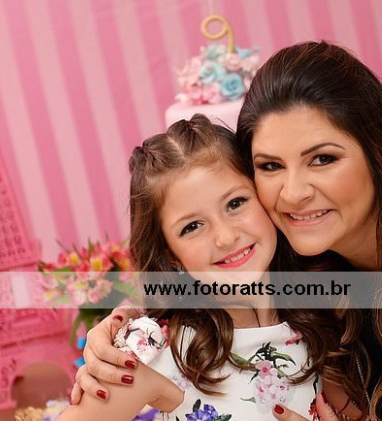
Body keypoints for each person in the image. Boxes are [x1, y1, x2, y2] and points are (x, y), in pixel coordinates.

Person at [72, 42, 382, 420]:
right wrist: (122, 334)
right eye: (271, 166)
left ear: (377, 149)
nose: (293, 193)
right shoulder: (310, 270)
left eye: (323, 158)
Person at [58, 114, 345, 421]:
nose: (226, 237)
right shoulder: (157, 347)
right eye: (192, 226)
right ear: (171, 255)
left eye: (235, 203)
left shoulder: (322, 313)